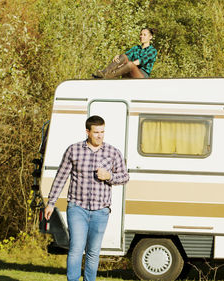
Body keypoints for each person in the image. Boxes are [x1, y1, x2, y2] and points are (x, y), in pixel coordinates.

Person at [44, 115, 129, 281]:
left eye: (102, 132)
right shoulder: (73, 150)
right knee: (76, 249)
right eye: (96, 132)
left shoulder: (113, 152)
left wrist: (109, 176)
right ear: (87, 132)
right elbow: (61, 177)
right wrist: (50, 203)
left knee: (93, 252)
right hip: (77, 208)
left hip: (101, 211)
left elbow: (125, 177)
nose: (100, 135)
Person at [93, 28, 157, 79]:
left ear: (150, 37)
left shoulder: (152, 51)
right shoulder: (136, 48)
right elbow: (126, 56)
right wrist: (118, 57)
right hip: (129, 71)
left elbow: (141, 61)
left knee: (130, 64)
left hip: (142, 75)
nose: (141, 36)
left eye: (144, 35)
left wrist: (124, 65)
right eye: (141, 34)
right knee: (123, 56)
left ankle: (109, 75)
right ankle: (105, 72)